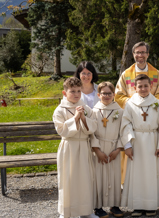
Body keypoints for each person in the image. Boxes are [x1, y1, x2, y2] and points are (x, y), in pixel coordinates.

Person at [114, 41, 159, 185]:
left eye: (143, 52)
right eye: (137, 52)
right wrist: (134, 105)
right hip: (134, 121)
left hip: (151, 123)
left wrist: (149, 103)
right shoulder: (126, 74)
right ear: (133, 54)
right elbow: (118, 95)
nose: (140, 55)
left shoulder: (156, 73)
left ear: (148, 54)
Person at [120, 74, 159, 217]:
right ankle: (137, 206)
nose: (143, 88)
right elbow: (125, 124)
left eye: (146, 86)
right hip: (137, 142)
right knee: (137, 174)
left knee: (151, 174)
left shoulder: (157, 103)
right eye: (140, 86)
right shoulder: (129, 104)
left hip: (153, 141)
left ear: (151, 86)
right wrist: (127, 145)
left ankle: (151, 205)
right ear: (135, 87)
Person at [53, 77, 98, 218]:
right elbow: (61, 130)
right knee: (68, 179)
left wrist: (84, 118)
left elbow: (94, 126)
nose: (77, 94)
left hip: (84, 146)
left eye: (79, 91)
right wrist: (75, 118)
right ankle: (66, 212)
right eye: (72, 91)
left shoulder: (86, 108)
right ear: (64, 93)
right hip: (69, 147)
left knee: (85, 179)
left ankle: (86, 212)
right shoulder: (59, 110)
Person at [91, 82, 124, 218]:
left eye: (109, 93)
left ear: (114, 95)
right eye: (103, 93)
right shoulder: (93, 111)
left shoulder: (120, 112)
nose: (106, 96)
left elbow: (124, 131)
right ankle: (98, 206)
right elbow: (91, 133)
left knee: (115, 176)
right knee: (98, 178)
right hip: (99, 149)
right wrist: (97, 151)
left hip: (114, 148)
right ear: (98, 95)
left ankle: (115, 205)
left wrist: (118, 149)